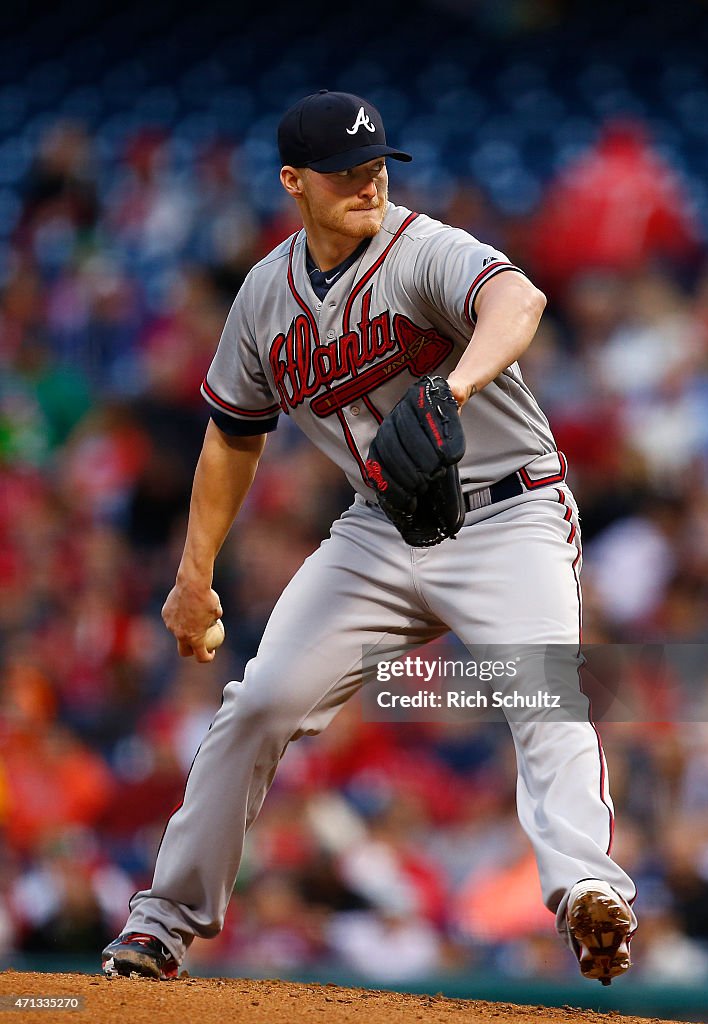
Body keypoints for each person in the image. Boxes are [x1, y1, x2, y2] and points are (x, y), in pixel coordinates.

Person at [101, 90, 636, 985]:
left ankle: (589, 891)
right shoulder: (264, 298)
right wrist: (194, 579)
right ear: (293, 183)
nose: (368, 181)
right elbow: (233, 434)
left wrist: (453, 388)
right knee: (260, 701)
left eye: (378, 163)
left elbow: (518, 299)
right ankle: (160, 925)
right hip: (377, 531)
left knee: (545, 696)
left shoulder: (421, 249)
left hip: (507, 515)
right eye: (347, 172)